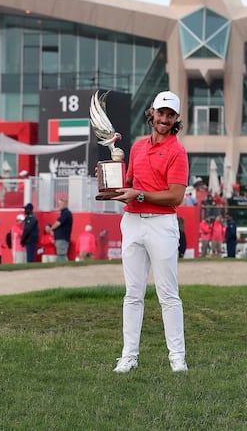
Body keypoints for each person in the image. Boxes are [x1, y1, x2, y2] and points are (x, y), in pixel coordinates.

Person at [109, 90, 188, 374]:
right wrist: (113, 170)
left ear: (176, 118)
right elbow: (129, 182)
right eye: (161, 113)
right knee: (132, 294)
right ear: (151, 113)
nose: (164, 119)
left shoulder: (177, 151)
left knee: (168, 294)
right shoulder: (139, 147)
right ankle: (128, 356)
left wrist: (139, 195)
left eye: (170, 115)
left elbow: (175, 196)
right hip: (132, 223)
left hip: (161, 225)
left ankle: (177, 358)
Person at [51, 198, 73, 262]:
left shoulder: (66, 213)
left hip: (62, 238)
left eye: (60, 204)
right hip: (60, 238)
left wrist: (51, 228)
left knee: (61, 254)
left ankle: (65, 268)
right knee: (60, 254)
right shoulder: (63, 213)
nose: (59, 206)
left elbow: (58, 223)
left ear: (65, 204)